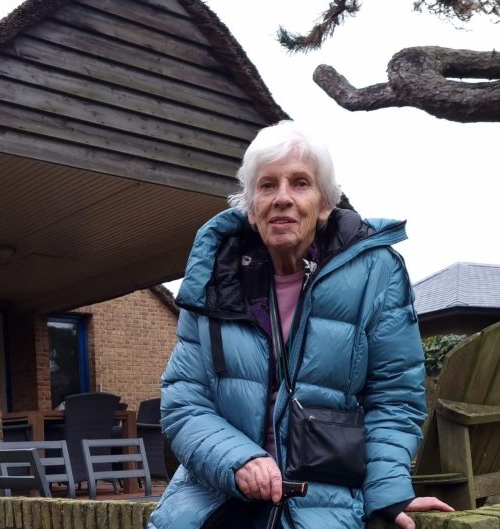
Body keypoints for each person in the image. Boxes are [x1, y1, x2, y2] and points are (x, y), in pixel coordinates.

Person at [146, 121, 453, 529]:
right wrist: (239, 460)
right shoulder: (214, 276)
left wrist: (387, 490)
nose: (282, 198)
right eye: (267, 185)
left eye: (300, 183)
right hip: (215, 499)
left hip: (326, 504)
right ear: (251, 208)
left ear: (324, 204)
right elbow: (184, 401)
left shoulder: (376, 272)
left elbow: (394, 396)